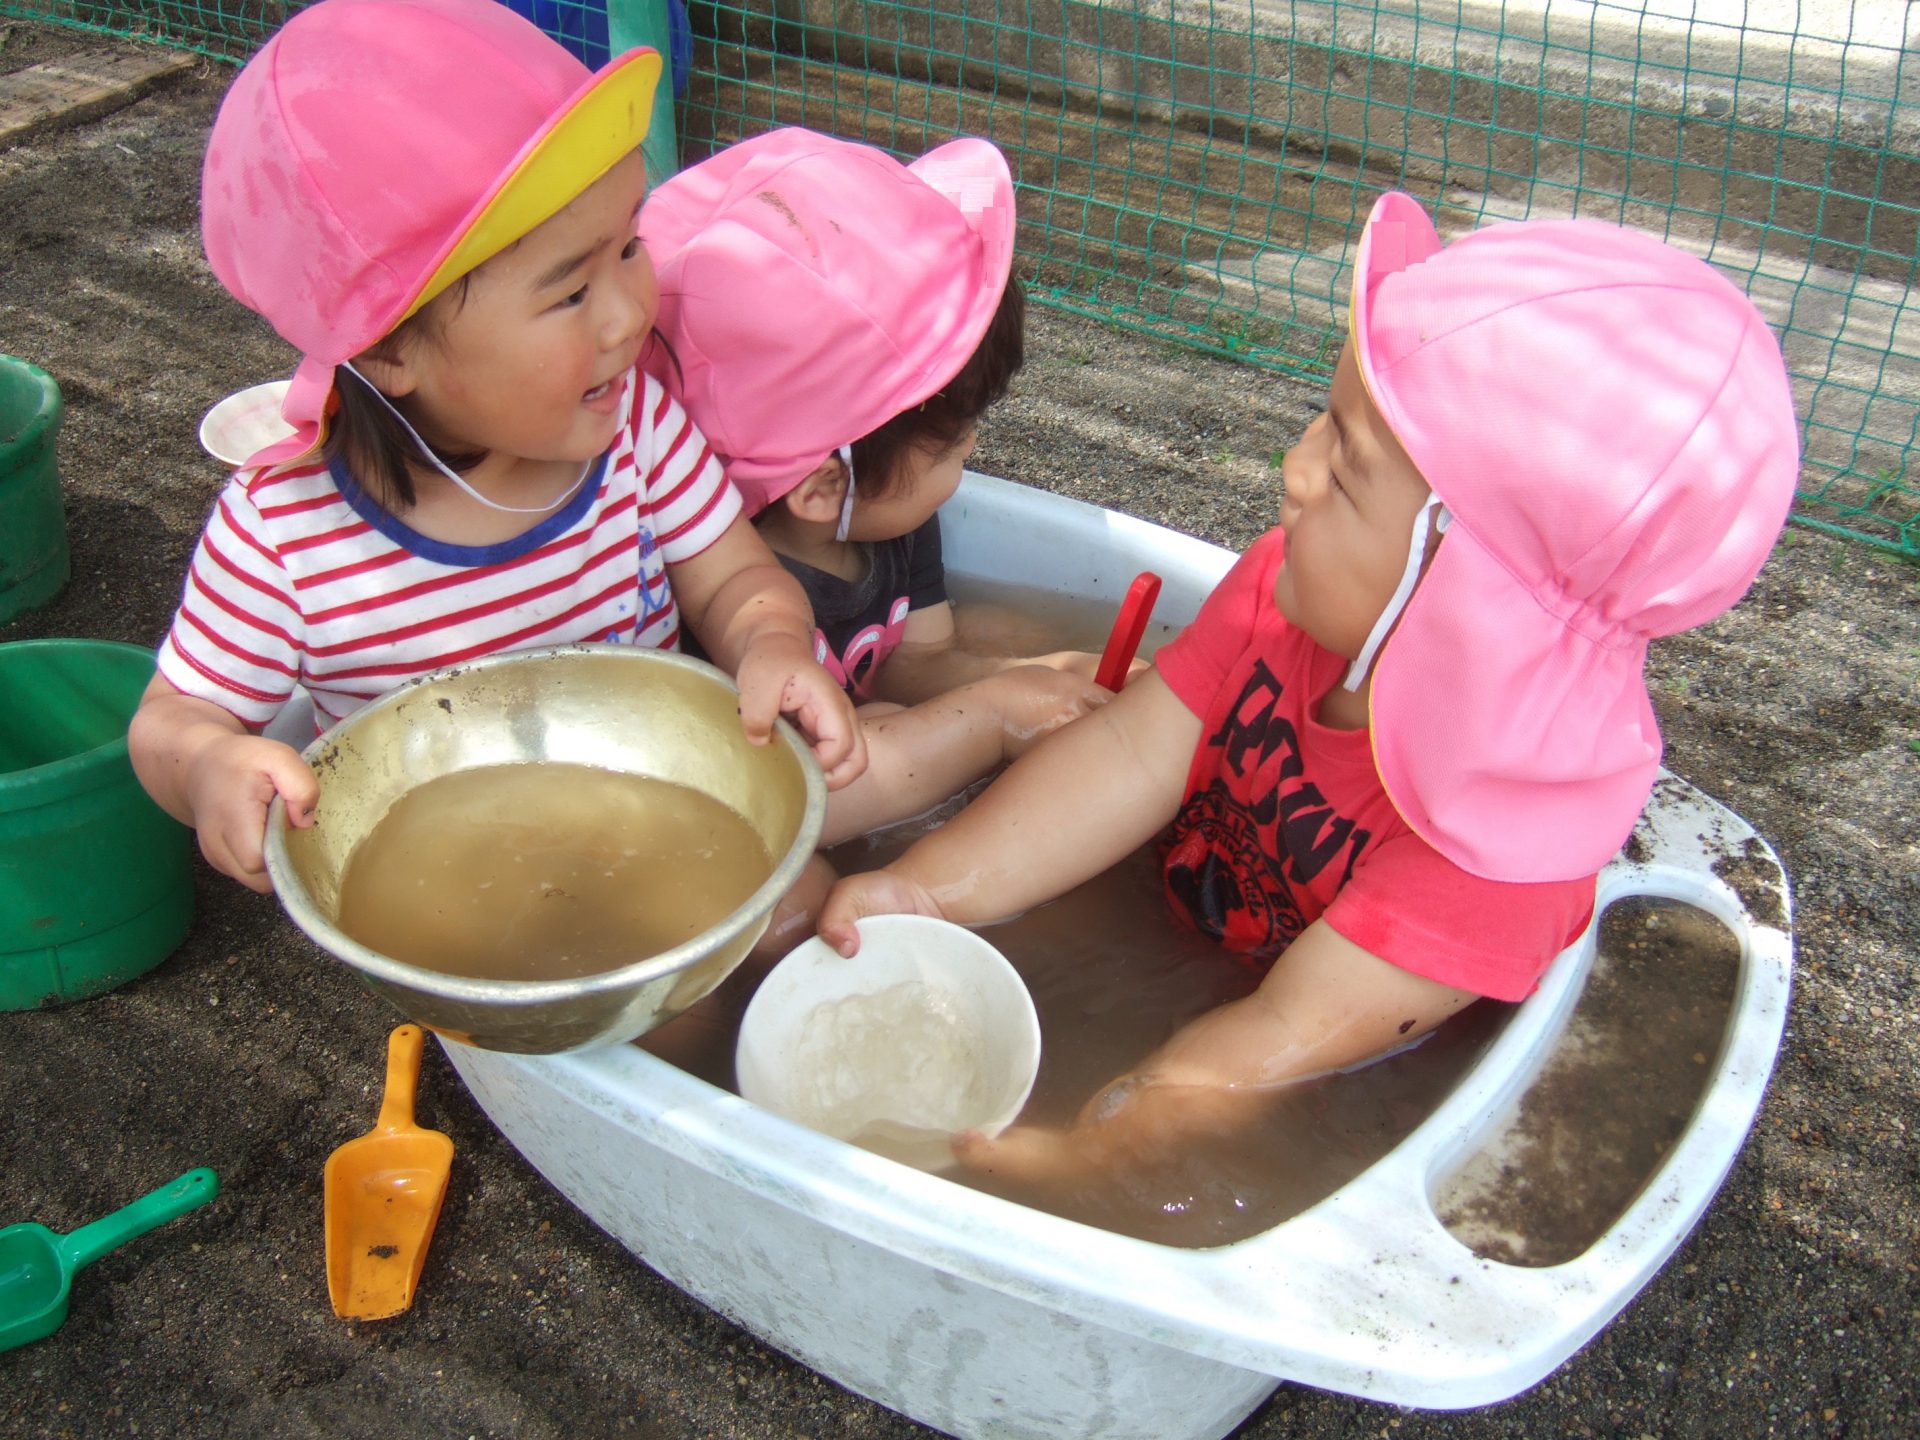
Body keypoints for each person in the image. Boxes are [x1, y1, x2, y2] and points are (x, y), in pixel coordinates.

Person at [817, 190, 1801, 1185]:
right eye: (1325, 422)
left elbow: (1276, 1040)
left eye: (1348, 469)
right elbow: (1123, 756)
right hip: (1174, 897)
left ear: (1468, 593)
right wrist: (929, 889)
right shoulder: (1282, 599)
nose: (1295, 468)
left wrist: (1092, 1151)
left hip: (1286, 1015)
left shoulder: (1497, 851)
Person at [127, 0, 864, 894]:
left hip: (655, 830)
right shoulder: (285, 539)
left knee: (803, 905)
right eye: (569, 293)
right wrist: (209, 765)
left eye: (630, 247)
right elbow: (171, 721)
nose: (629, 315)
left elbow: (734, 581)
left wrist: (772, 643)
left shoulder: (633, 426)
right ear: (388, 349)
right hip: (449, 893)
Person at [641, 126, 1119, 847]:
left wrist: (1049, 673)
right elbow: (759, 804)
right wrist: (998, 705)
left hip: (874, 747)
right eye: (952, 444)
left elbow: (917, 659)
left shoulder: (891, 514)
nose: (972, 451)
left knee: (1016, 644)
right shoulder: (719, 606)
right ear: (823, 488)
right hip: (773, 807)